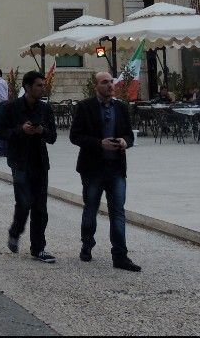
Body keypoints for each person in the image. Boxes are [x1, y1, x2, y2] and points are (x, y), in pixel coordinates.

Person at [70, 71, 141, 272]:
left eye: (111, 81)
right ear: (96, 86)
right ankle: (87, 244)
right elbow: (75, 136)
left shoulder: (121, 107)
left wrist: (125, 142)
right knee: (91, 208)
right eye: (104, 82)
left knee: (118, 212)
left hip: (116, 168)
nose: (110, 85)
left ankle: (120, 255)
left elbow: (129, 133)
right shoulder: (85, 107)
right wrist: (99, 144)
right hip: (92, 168)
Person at [0, 70, 57, 264]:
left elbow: (53, 137)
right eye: (39, 85)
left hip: (40, 163)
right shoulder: (11, 107)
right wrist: (21, 130)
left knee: (40, 208)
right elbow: (1, 131)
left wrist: (41, 131)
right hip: (20, 162)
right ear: (27, 87)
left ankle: (38, 248)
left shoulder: (45, 109)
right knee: (24, 203)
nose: (42, 88)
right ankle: (15, 232)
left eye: (43, 85)